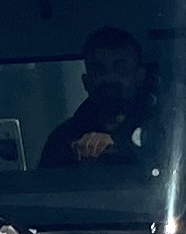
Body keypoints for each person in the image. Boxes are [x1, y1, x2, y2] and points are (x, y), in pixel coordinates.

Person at [44, 28, 157, 169]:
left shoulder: (162, 129)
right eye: (99, 70)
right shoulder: (63, 138)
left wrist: (118, 147)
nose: (109, 78)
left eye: (120, 69)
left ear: (140, 77)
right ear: (86, 82)